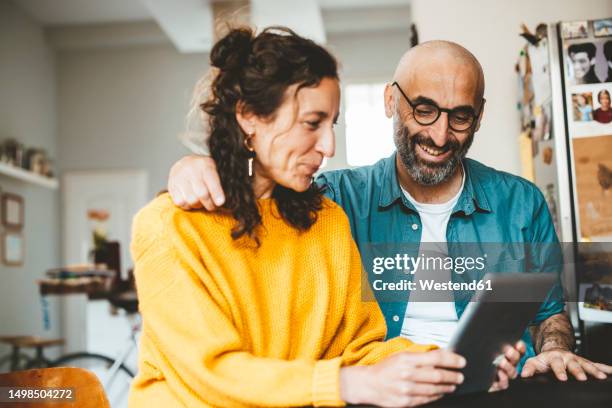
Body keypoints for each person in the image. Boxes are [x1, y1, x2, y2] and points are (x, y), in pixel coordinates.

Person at [168, 39, 612, 383]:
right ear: (390, 102)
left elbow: (547, 313)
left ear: (478, 117)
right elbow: (256, 217)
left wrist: (554, 348)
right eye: (424, 110)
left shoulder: (522, 203)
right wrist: (198, 166)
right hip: (383, 389)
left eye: (460, 116)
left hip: (496, 388)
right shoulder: (334, 198)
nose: (440, 135)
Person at [130, 28, 522, 408]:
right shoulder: (170, 228)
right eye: (311, 123)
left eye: (331, 125)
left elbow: (360, 347)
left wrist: (450, 366)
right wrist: (347, 383)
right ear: (250, 116)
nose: (329, 147)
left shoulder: (327, 221)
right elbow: (211, 374)